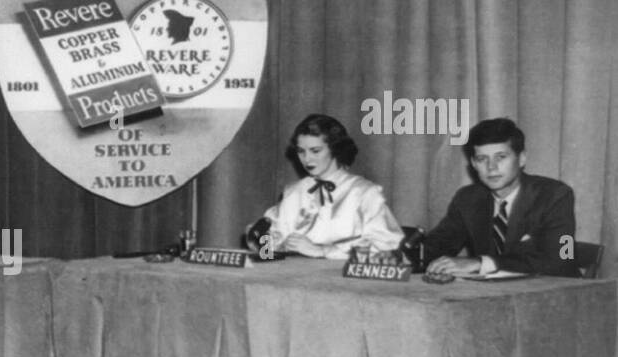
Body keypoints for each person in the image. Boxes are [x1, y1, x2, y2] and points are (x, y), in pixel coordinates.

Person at [424, 118, 577, 278]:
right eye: (482, 159)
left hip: (555, 295)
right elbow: (436, 247)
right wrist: (402, 254)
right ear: (473, 164)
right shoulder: (468, 198)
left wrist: (482, 263)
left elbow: (562, 260)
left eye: (501, 157)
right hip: (493, 297)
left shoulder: (555, 195)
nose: (491, 167)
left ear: (522, 158)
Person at [245, 114, 404, 259]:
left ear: (335, 149)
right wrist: (264, 242)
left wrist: (323, 250)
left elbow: (388, 247)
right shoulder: (293, 191)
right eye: (301, 151)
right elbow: (268, 243)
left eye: (315, 151)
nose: (307, 159)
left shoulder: (364, 192)